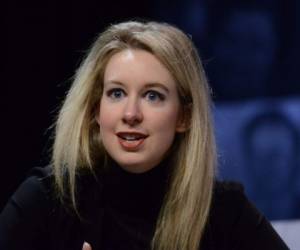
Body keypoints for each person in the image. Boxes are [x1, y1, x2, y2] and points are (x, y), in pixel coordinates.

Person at [0, 20, 288, 250]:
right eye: (116, 93)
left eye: (153, 96)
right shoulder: (45, 201)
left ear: (184, 117)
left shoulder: (224, 212)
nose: (131, 113)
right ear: (96, 110)